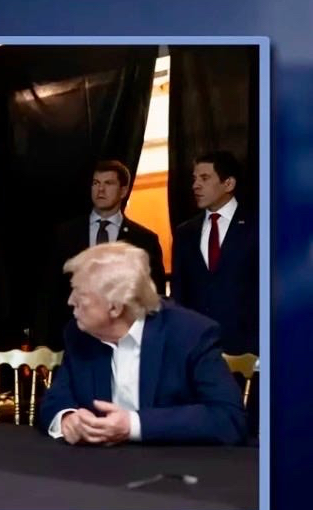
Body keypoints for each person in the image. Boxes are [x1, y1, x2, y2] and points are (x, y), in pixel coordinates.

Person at [37, 242, 246, 445]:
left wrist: (133, 425)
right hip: (97, 464)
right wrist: (67, 418)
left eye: (80, 294)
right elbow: (56, 399)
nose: (70, 301)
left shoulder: (190, 334)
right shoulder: (79, 333)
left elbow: (228, 417)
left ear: (115, 308)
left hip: (175, 463)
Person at [39, 160, 165, 349]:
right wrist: (43, 341)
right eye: (96, 183)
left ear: (123, 190)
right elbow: (49, 290)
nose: (100, 189)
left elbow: (154, 296)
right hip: (73, 338)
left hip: (124, 341)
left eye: (108, 183)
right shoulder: (66, 233)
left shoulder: (144, 240)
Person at [172, 150, 259, 354]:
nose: (195, 185)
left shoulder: (259, 225)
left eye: (204, 178)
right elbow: (179, 294)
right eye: (194, 179)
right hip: (198, 350)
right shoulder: (185, 233)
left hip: (250, 350)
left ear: (228, 183)